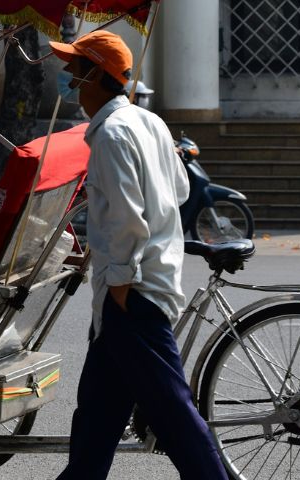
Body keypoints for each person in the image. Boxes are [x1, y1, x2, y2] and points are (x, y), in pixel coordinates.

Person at [49, 31, 228, 480]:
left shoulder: (111, 134)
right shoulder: (151, 123)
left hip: (133, 293)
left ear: (96, 75)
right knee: (97, 412)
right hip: (133, 289)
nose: (71, 83)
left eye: (76, 73)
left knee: (174, 413)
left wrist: (122, 283)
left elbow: (128, 219)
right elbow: (181, 190)